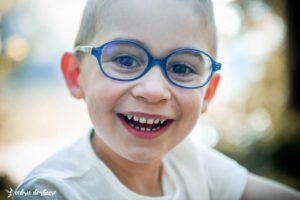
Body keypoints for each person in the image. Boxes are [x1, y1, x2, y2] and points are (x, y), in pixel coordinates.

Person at [14, 0, 300, 199]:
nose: (153, 90)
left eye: (182, 68)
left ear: (208, 93)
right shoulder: (51, 190)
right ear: (76, 75)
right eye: (125, 59)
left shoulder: (191, 163)